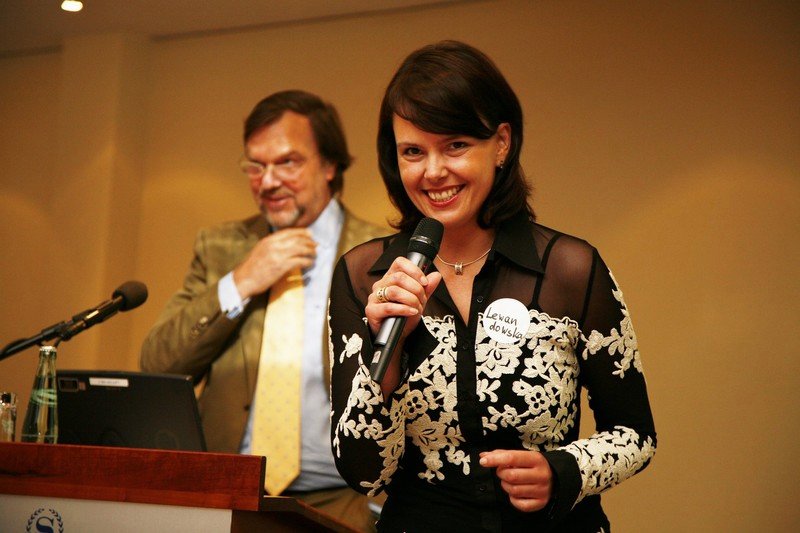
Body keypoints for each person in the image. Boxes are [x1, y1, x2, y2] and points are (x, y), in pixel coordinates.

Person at [328, 41, 656, 532]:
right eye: (413, 151)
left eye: (455, 145)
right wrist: (388, 358)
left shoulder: (571, 269)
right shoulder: (365, 275)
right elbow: (364, 474)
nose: (433, 171)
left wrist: (562, 471)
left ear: (501, 143)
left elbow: (635, 434)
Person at [141, 90, 386, 531]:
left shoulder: (378, 252)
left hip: (345, 499)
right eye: (255, 166)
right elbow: (159, 363)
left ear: (329, 166)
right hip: (225, 494)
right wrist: (240, 282)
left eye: (287, 162)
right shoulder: (220, 247)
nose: (268, 181)